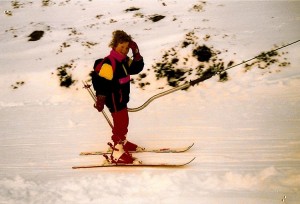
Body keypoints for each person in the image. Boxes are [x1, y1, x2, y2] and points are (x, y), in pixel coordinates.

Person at [92, 30, 144, 164]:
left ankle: (123, 142)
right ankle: (117, 150)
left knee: (124, 121)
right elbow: (102, 82)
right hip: (113, 99)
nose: (124, 50)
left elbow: (137, 68)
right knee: (120, 123)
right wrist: (100, 99)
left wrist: (136, 52)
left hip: (122, 98)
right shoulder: (110, 62)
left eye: (127, 48)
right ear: (114, 45)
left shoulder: (124, 61)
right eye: (121, 47)